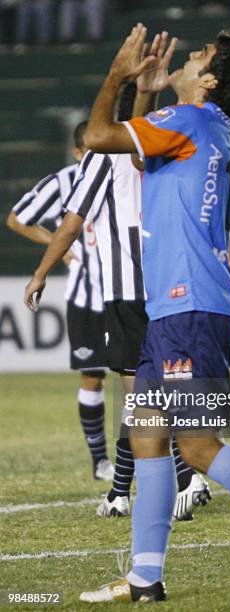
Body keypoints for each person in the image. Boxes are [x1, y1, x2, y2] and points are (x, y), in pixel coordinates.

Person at [25, 25, 230, 605]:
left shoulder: (191, 122)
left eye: (199, 55)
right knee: (148, 436)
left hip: (189, 305)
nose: (189, 55)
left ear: (211, 80)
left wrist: (119, 77)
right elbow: (139, 165)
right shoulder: (209, 128)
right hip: (179, 304)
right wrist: (147, 93)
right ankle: (146, 578)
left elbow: (99, 137)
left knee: (195, 446)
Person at [22, 50, 211, 520]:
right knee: (165, 390)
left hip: (127, 294)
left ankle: (154, 485)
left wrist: (42, 271)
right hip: (172, 285)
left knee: (141, 398)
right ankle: (145, 486)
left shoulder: (100, 162)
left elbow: (69, 225)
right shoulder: (168, 149)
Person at [8, 122, 114, 481]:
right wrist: (59, 246)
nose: (97, 156)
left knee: (144, 380)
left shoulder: (124, 175)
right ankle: (101, 461)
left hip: (127, 293)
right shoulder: (62, 182)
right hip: (86, 297)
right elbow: (17, 219)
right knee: (93, 377)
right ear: (77, 153)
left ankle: (164, 461)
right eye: (90, 150)